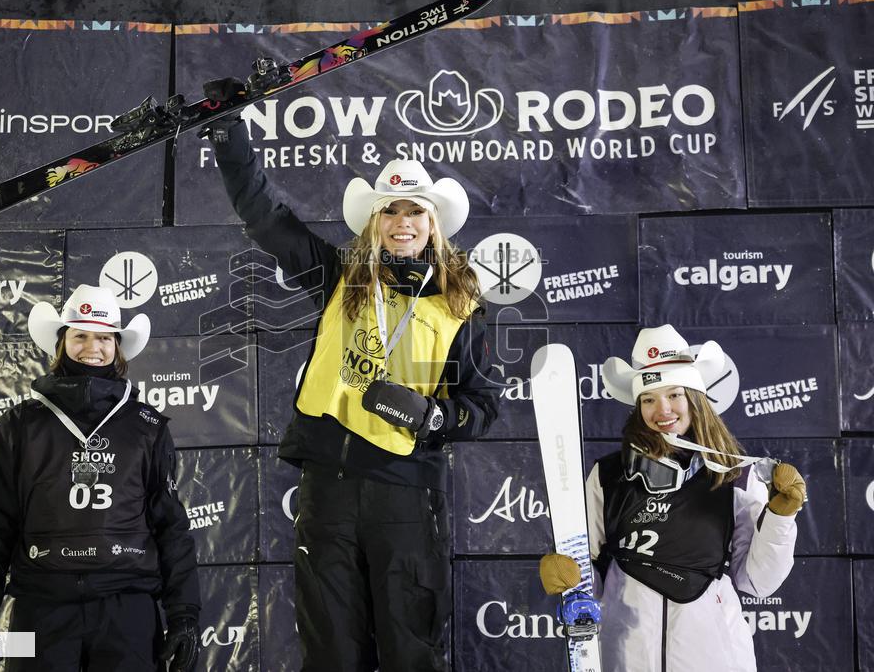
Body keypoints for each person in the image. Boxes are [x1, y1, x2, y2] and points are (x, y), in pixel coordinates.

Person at [203, 79, 501, 672]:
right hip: (329, 490)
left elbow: (484, 405)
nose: (402, 221)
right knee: (332, 651)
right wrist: (229, 130)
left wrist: (438, 417)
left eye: (415, 210)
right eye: (389, 210)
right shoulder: (338, 274)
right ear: (373, 221)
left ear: (434, 222)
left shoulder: (462, 304)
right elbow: (266, 217)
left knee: (411, 649)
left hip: (406, 491)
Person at [539, 325, 806, 672]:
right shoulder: (608, 475)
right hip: (627, 654)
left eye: (675, 395)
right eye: (649, 399)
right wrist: (572, 579)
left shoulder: (734, 475)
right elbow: (590, 570)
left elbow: (756, 580)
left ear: (695, 399)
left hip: (714, 657)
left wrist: (780, 518)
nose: (662, 409)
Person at [0, 284, 201, 672]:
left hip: (128, 609)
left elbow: (171, 527)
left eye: (104, 337)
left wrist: (185, 615)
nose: (93, 346)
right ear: (62, 343)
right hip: (42, 607)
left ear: (118, 347)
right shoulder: (19, 426)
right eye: (81, 335)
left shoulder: (148, 428)